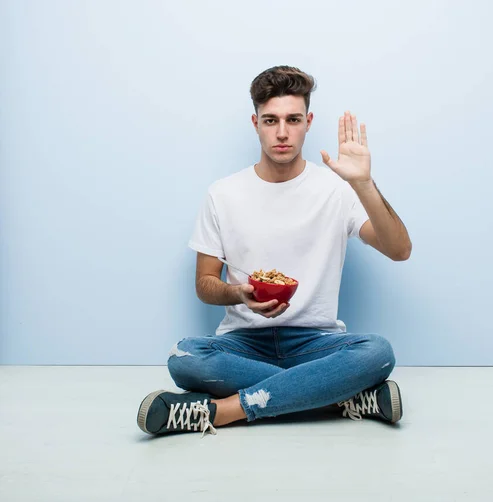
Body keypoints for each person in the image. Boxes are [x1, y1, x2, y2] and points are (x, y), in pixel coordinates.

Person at [137, 65, 412, 437]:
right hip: (243, 342)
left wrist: (363, 183)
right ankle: (338, 398)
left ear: (308, 121)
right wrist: (238, 293)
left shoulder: (337, 189)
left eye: (293, 119)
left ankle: (220, 411)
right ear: (255, 122)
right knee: (185, 358)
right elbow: (204, 284)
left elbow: (399, 250)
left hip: (316, 342)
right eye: (270, 120)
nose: (282, 132)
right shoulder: (223, 193)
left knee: (377, 353)